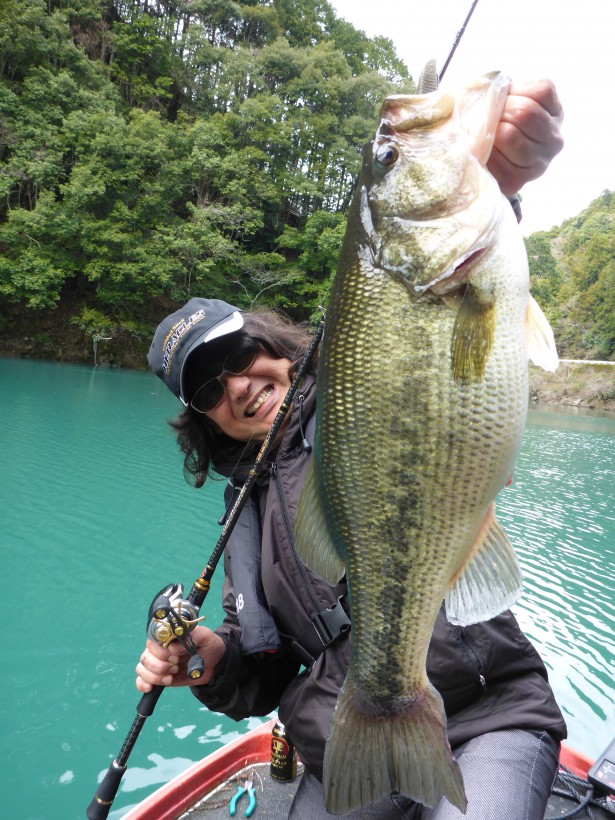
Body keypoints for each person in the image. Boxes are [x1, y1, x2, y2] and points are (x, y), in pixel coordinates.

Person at [136, 79, 567, 819]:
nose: (238, 383)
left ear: (272, 345)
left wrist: (502, 179)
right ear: (203, 420)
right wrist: (208, 659)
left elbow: (440, 292)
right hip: (349, 737)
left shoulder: (353, 384)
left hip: (487, 711)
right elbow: (263, 671)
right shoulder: (244, 516)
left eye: (238, 353)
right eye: (209, 386)